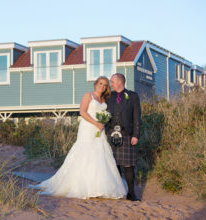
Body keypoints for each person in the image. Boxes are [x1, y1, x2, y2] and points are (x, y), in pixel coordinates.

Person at [29, 76, 127, 199]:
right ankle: (83, 185)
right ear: (96, 84)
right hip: (88, 127)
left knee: (100, 153)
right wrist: (96, 123)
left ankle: (98, 186)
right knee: (85, 152)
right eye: (101, 83)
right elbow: (82, 112)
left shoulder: (104, 99)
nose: (102, 86)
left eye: (105, 85)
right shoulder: (88, 95)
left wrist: (102, 123)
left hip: (100, 129)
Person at [105, 73, 141, 201]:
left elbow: (137, 117)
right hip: (110, 134)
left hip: (126, 134)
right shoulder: (109, 97)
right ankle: (117, 192)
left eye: (112, 82)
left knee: (128, 165)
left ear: (120, 82)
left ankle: (131, 194)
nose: (111, 84)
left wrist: (135, 135)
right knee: (114, 166)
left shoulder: (132, 96)